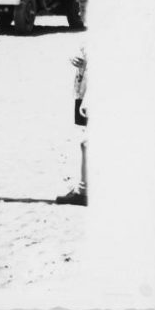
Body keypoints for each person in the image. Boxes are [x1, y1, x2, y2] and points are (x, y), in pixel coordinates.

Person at [57, 45, 88, 205]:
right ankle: (83, 189)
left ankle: (84, 191)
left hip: (90, 94)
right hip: (82, 89)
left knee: (87, 141)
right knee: (84, 139)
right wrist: (74, 56)